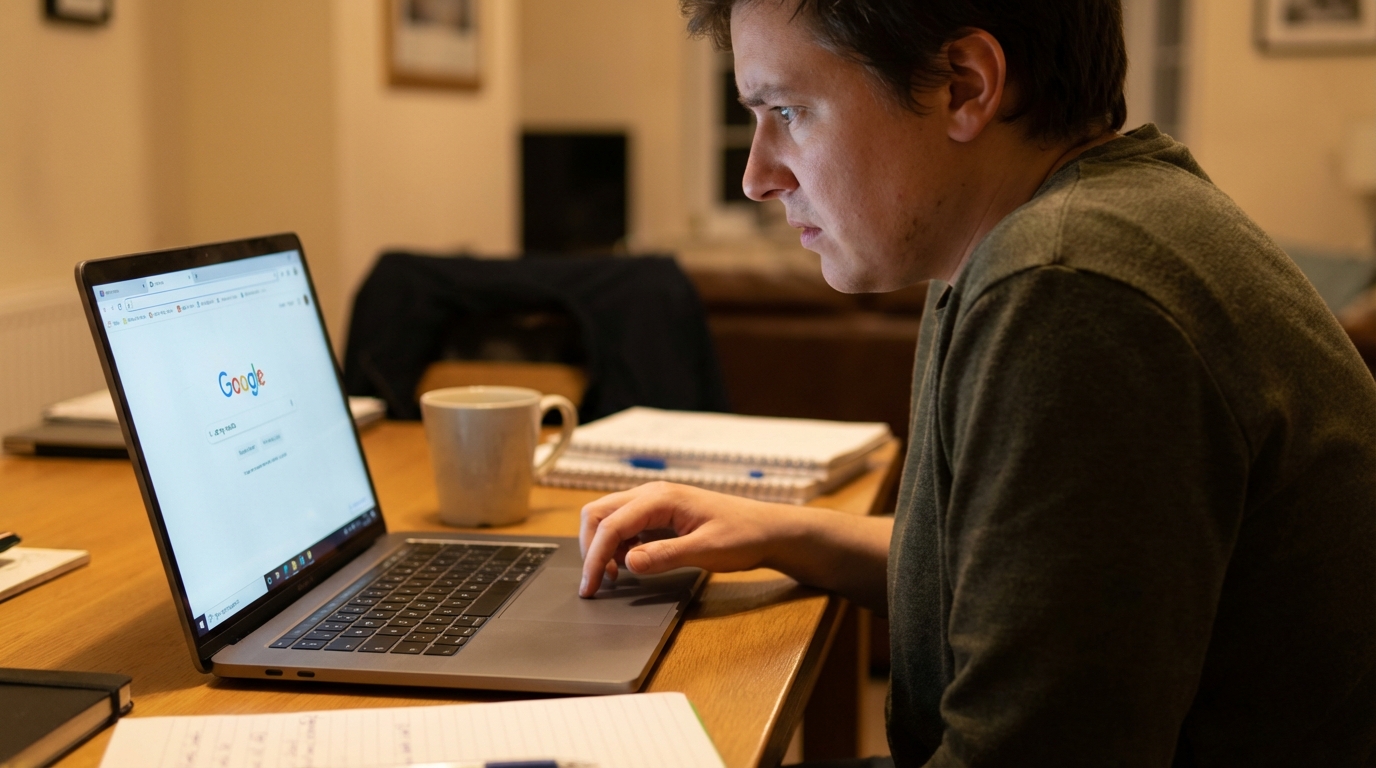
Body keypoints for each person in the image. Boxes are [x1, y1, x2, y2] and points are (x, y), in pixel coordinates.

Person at [578, 1, 1376, 765]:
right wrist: (780, 531)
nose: (757, 175)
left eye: (787, 111)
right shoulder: (1053, 228)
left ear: (963, 83)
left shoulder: (1069, 285)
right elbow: (1030, 583)